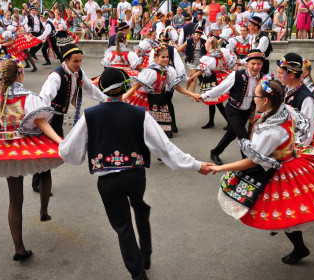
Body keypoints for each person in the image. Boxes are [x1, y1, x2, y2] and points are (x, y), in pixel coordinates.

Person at [58, 67, 211, 280]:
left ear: (102, 89)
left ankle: (139, 275)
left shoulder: (90, 116)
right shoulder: (140, 114)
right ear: (125, 88)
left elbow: (68, 152)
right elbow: (165, 148)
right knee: (139, 205)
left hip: (109, 180)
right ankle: (146, 254)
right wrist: (196, 165)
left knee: (123, 227)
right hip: (136, 176)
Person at [209, 75, 314, 265]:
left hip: (281, 169)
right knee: (285, 210)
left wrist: (220, 168)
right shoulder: (286, 110)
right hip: (289, 161)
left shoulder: (271, 132)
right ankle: (292, 239)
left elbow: (252, 161)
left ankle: (300, 248)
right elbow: (301, 129)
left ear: (266, 101)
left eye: (256, 97)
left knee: (286, 212)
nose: (253, 100)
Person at [0, 58, 64, 261]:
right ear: (20, 74)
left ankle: (19, 248)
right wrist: (61, 142)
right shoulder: (29, 97)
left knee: (15, 200)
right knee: (41, 175)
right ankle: (42, 212)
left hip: (4, 152)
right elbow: (41, 123)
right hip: (27, 150)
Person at [31, 44, 107, 193]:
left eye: (80, 61)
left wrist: (106, 99)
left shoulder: (78, 73)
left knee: (54, 149)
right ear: (65, 60)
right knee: (51, 149)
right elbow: (45, 98)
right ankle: (38, 183)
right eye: (75, 61)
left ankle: (39, 180)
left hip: (58, 117)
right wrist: (43, 120)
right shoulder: (56, 76)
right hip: (49, 118)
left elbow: (90, 89)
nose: (78, 64)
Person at [200, 50, 266, 165]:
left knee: (231, 134)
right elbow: (221, 88)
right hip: (232, 110)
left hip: (247, 112)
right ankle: (246, 164)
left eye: (259, 64)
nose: (256, 67)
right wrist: (204, 96)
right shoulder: (237, 75)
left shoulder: (264, 78)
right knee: (244, 137)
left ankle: (215, 152)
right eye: (253, 63)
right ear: (247, 64)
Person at [124, 45, 198, 137]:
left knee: (160, 132)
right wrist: (125, 97)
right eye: (163, 57)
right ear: (156, 58)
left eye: (167, 57)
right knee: (146, 132)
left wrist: (192, 94)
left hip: (160, 101)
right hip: (147, 101)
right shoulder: (152, 72)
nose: (166, 59)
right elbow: (138, 85)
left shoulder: (167, 71)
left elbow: (176, 87)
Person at [188, 36, 236, 129]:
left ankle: (230, 122)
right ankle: (211, 121)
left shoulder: (210, 58)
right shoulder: (221, 52)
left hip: (213, 80)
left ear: (210, 44)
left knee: (218, 103)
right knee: (212, 101)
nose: (205, 44)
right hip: (219, 77)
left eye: (206, 43)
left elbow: (202, 70)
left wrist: (193, 77)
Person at [178, 26, 207, 93]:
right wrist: (171, 51)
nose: (198, 36)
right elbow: (180, 48)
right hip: (191, 61)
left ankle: (186, 89)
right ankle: (193, 95)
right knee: (195, 77)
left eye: (200, 35)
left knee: (191, 76)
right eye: (197, 34)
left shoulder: (203, 41)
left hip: (199, 62)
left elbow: (209, 47)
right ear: (194, 34)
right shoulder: (189, 41)